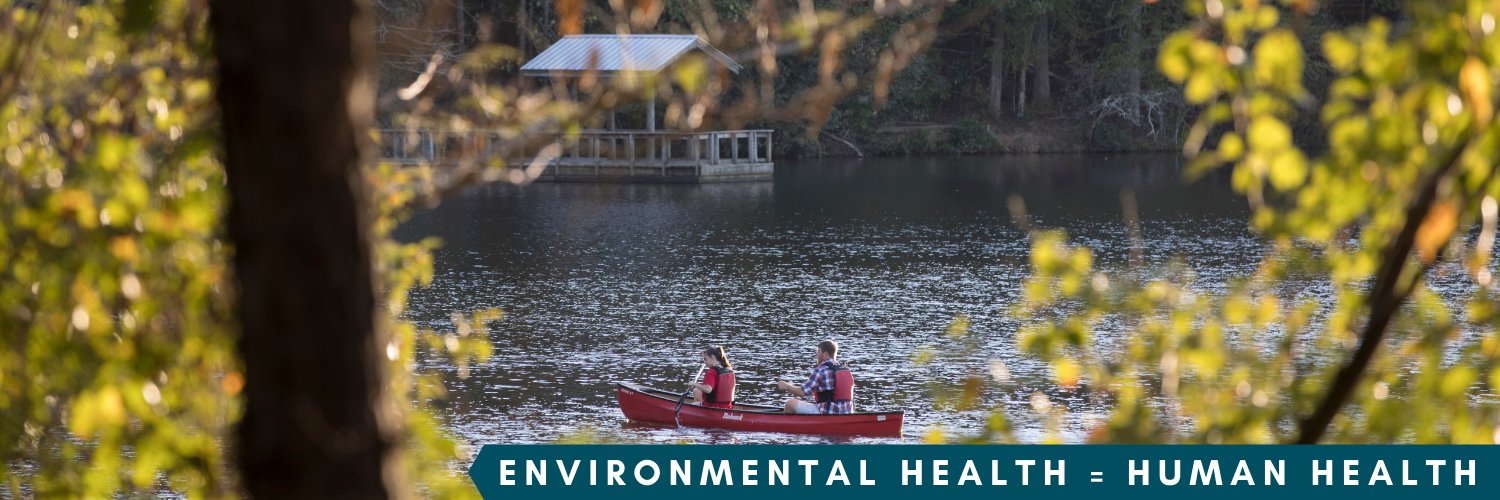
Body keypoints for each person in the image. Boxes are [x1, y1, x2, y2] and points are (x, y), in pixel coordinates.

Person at [776, 339, 854, 414]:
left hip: (826, 413)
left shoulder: (821, 370)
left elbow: (803, 392)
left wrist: (786, 386)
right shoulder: (846, 370)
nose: (817, 354)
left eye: (819, 352)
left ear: (825, 354)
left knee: (790, 404)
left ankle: (791, 426)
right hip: (847, 413)